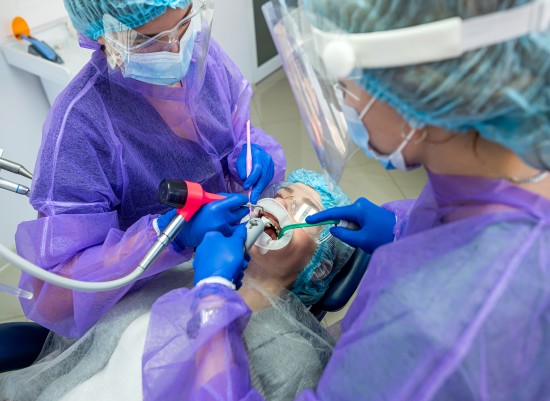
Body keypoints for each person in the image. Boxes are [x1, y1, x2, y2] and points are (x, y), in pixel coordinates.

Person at [139, 0, 550, 399]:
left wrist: (212, 298)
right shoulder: (499, 172)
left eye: (347, 88)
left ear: (417, 96)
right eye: (282, 194)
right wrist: (403, 230)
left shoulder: (435, 332)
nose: (344, 104)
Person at [15, 0, 286, 338]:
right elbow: (54, 296)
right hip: (145, 307)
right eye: (151, 39)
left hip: (224, 264)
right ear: (104, 35)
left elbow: (238, 126)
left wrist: (249, 148)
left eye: (184, 23)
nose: (175, 50)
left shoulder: (202, 58)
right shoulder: (80, 125)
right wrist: (166, 236)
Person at [0, 169, 354, 401]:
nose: (282, 203)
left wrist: (214, 287)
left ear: (319, 267)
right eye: (283, 194)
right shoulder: (180, 272)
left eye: (305, 211)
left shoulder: (297, 358)